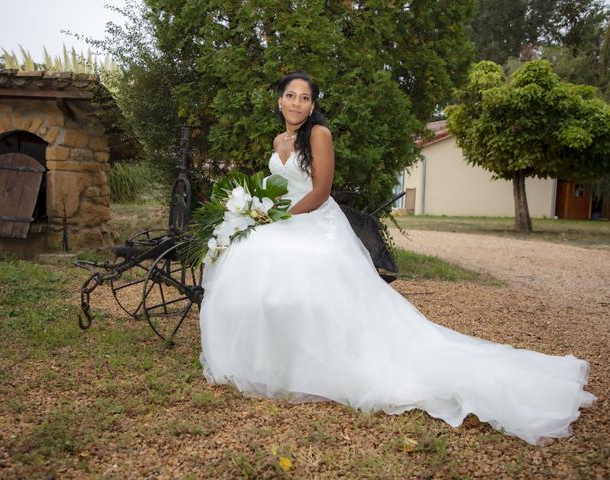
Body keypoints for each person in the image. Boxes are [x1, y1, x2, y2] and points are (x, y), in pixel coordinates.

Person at [199, 71, 595, 445]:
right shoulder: (277, 142)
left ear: (313, 104)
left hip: (315, 221)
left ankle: (327, 360)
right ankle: (274, 359)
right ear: (279, 100)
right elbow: (280, 186)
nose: (297, 103)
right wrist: (260, 209)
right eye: (290, 96)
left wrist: (277, 219)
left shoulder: (318, 134)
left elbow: (320, 191)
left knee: (290, 267)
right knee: (252, 258)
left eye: (305, 98)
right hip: (287, 217)